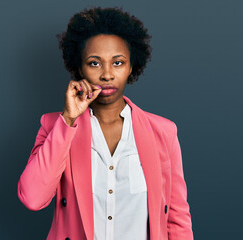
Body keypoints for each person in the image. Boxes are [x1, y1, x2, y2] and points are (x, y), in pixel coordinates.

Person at [17, 6, 194, 240]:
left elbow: (177, 217)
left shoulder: (163, 131)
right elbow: (32, 198)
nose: (107, 75)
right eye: (94, 63)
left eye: (118, 63)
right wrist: (68, 120)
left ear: (132, 65)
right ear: (79, 68)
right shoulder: (54, 125)